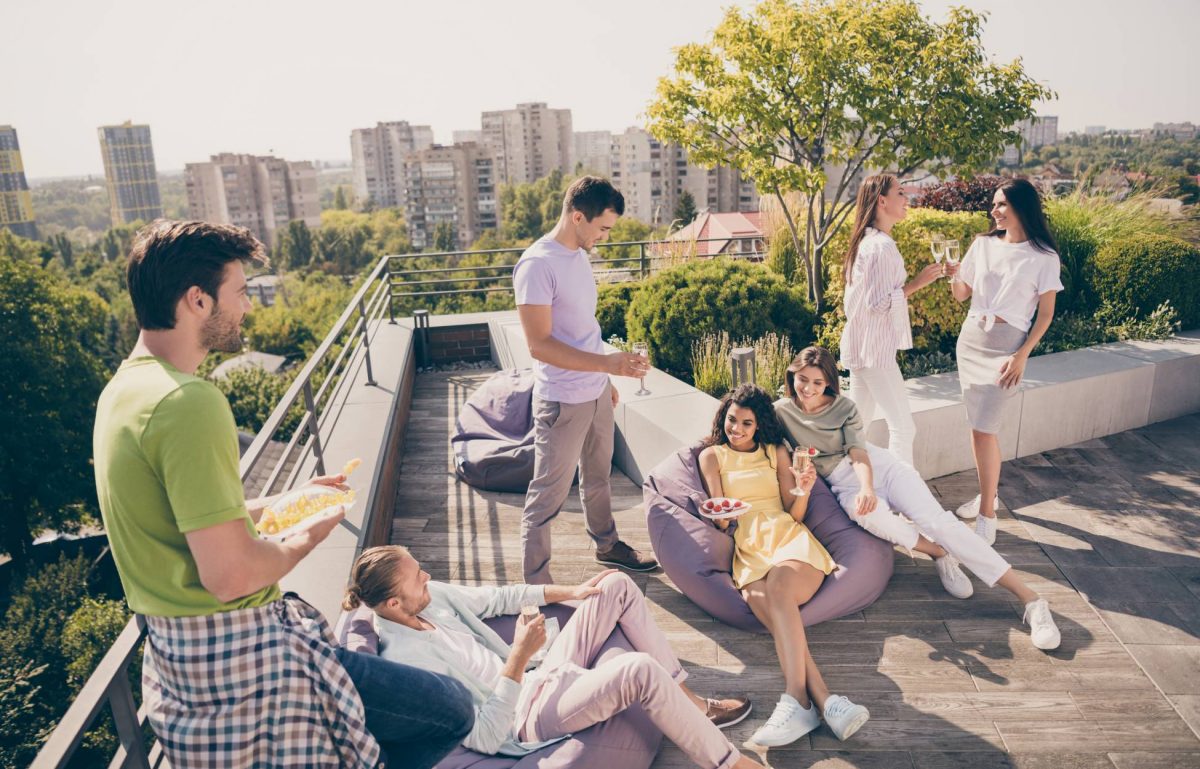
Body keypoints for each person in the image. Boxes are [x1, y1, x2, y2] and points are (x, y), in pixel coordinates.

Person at [93, 220, 474, 768]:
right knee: (452, 710)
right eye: (241, 292)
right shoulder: (189, 403)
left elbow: (183, 522)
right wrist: (308, 535)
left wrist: (285, 502)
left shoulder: (122, 393)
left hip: (180, 667)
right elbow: (231, 576)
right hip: (240, 657)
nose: (248, 307)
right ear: (198, 301)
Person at [352, 546, 768, 769]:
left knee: (616, 584)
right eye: (417, 576)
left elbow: (502, 598)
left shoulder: (432, 599)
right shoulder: (408, 662)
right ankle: (731, 765)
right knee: (638, 669)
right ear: (391, 603)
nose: (427, 575)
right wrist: (517, 657)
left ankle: (692, 704)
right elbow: (484, 736)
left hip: (538, 672)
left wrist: (572, 591)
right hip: (523, 715)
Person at [774, 346, 1062, 650]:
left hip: (877, 468)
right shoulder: (781, 410)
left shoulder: (844, 407)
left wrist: (868, 487)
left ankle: (1031, 600)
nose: (808, 388)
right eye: (803, 379)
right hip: (841, 483)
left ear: (829, 382)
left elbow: (859, 453)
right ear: (792, 374)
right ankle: (938, 553)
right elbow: (748, 419)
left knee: (939, 523)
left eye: (817, 383)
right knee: (869, 516)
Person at [697, 385, 871, 747]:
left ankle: (795, 698)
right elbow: (720, 517)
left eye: (747, 423)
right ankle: (826, 701)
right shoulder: (712, 456)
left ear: (759, 425)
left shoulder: (774, 451)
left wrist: (803, 489)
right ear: (723, 417)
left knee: (778, 591)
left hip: (787, 538)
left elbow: (796, 513)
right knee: (778, 615)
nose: (737, 429)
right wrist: (722, 518)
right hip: (747, 550)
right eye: (732, 420)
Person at [513, 176, 657, 584]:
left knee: (598, 478)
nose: (605, 237)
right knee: (546, 498)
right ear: (578, 216)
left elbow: (582, 326)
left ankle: (607, 546)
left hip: (593, 392)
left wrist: (603, 379)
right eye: (603, 228)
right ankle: (536, 587)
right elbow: (539, 345)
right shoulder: (537, 265)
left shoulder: (578, 253)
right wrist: (607, 366)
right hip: (562, 402)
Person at [951, 178, 1064, 544]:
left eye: (1001, 205)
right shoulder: (982, 245)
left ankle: (987, 511)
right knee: (977, 427)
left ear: (1021, 207)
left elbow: (1045, 315)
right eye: (993, 204)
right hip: (971, 341)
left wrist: (1021, 355)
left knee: (986, 428)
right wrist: (953, 275)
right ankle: (989, 495)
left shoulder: (1044, 257)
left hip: (1007, 348)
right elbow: (960, 296)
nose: (994, 211)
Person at [840, 173, 951, 467]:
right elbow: (877, 304)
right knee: (903, 427)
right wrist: (917, 283)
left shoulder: (867, 241)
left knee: (857, 427)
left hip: (863, 346)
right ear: (882, 201)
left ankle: (845, 486)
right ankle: (906, 499)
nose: (907, 199)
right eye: (900, 193)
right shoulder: (881, 247)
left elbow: (858, 302)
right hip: (875, 351)